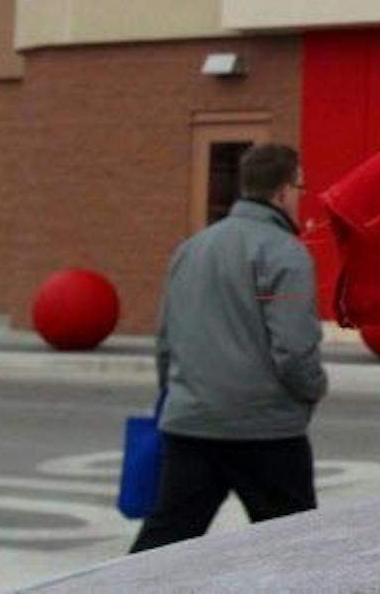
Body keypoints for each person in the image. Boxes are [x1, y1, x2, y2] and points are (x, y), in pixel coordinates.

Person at [130, 142, 328, 552]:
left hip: (191, 423)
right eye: (300, 186)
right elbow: (293, 348)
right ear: (282, 191)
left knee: (162, 545)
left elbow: (167, 342)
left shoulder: (190, 249)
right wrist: (313, 390)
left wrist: (178, 395)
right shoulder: (285, 253)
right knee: (296, 551)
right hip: (266, 431)